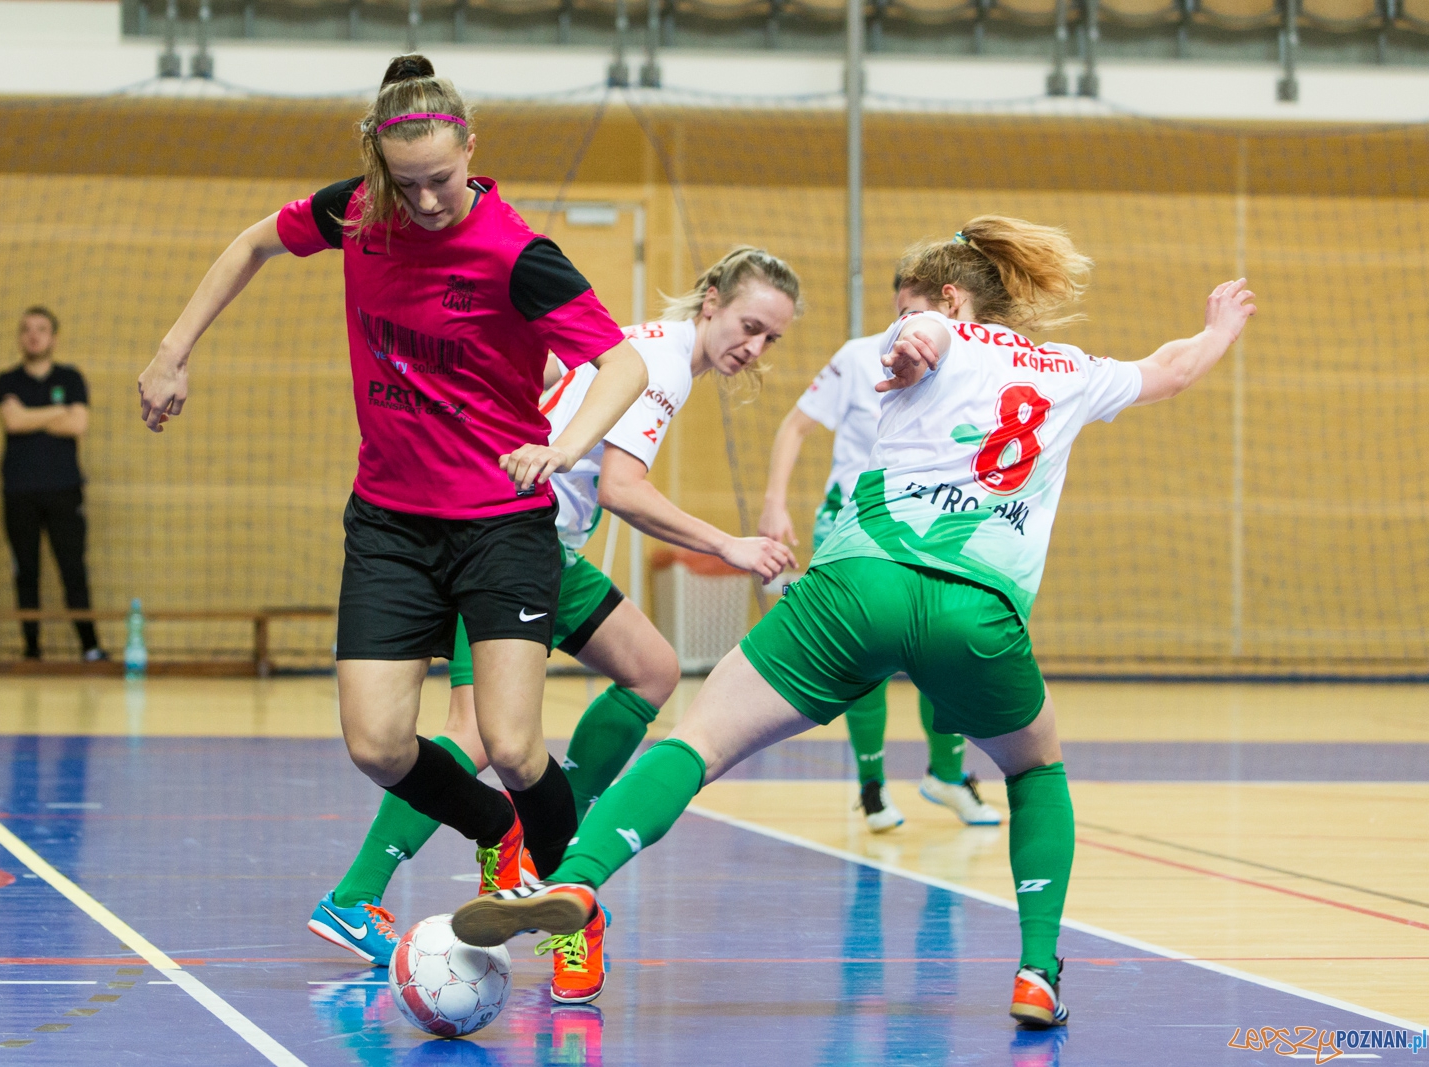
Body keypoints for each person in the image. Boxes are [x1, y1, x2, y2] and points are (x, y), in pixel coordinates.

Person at [451, 217, 1257, 1031]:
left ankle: (577, 876)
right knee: (1035, 767)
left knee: (696, 741)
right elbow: (1171, 369)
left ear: (949, 296)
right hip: (978, 612)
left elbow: (926, 338)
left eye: (913, 307)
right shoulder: (1073, 369)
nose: (903, 324)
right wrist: (1218, 329)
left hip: (855, 588)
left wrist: (916, 344)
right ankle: (1037, 970)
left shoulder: (934, 330)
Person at [136, 53, 647, 940]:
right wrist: (171, 351)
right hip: (390, 525)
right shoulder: (359, 211)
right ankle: (494, 830)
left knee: (513, 744)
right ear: (378, 161)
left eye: (440, 180)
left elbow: (623, 364)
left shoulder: (517, 254)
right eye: (406, 183)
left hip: (499, 525)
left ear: (471, 148)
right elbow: (253, 243)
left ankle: (576, 919)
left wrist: (563, 447)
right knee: (376, 744)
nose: (426, 201)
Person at [310, 247, 802, 1006]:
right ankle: (359, 894)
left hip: (544, 548)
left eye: (772, 338)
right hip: (512, 542)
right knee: (478, 734)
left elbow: (537, 373)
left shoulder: (637, 341)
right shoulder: (660, 364)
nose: (756, 346)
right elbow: (622, 488)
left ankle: (549, 848)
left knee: (651, 671)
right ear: (712, 300)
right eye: (749, 326)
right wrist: (727, 544)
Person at [759, 285, 1001, 832]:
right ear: (897, 302)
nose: (918, 317)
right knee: (864, 658)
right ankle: (872, 786)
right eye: (908, 306)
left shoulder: (973, 363)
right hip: (856, 524)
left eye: (930, 308)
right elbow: (795, 425)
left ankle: (947, 775)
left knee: (945, 653)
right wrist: (775, 501)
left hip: (929, 531)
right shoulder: (858, 357)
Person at [0, 306, 103, 661]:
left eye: (41, 329)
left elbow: (78, 424)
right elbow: (12, 422)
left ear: (53, 338)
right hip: (19, 491)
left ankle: (90, 647)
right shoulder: (7, 380)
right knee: (26, 572)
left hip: (64, 490)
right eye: (27, 329)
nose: (33, 335)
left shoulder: (71, 378)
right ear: (20, 337)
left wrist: (29, 415)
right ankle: (31, 649)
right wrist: (57, 412)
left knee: (73, 570)